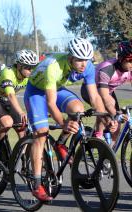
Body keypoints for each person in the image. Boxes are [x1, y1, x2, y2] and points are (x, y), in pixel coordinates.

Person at [24, 38, 117, 201]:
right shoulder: (54, 67)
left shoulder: (88, 66)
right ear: (70, 57)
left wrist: (106, 118)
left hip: (56, 88)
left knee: (78, 109)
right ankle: (37, 184)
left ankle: (61, 143)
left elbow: (95, 97)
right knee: (41, 134)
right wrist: (63, 123)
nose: (83, 64)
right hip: (36, 91)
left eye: (86, 60)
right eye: (79, 60)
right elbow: (51, 103)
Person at [0, 49, 38, 160]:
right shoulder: (8, 73)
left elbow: (36, 93)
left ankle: (19, 160)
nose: (31, 70)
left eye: (33, 67)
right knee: (7, 123)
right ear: (19, 65)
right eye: (28, 67)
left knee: (22, 129)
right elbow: (11, 96)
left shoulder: (29, 77)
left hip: (7, 100)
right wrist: (21, 112)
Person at [81, 40, 132, 146]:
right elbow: (104, 98)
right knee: (108, 111)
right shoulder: (107, 69)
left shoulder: (130, 70)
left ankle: (110, 153)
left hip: (108, 91)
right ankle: (98, 137)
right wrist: (116, 115)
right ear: (121, 58)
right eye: (130, 60)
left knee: (116, 128)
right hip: (90, 90)